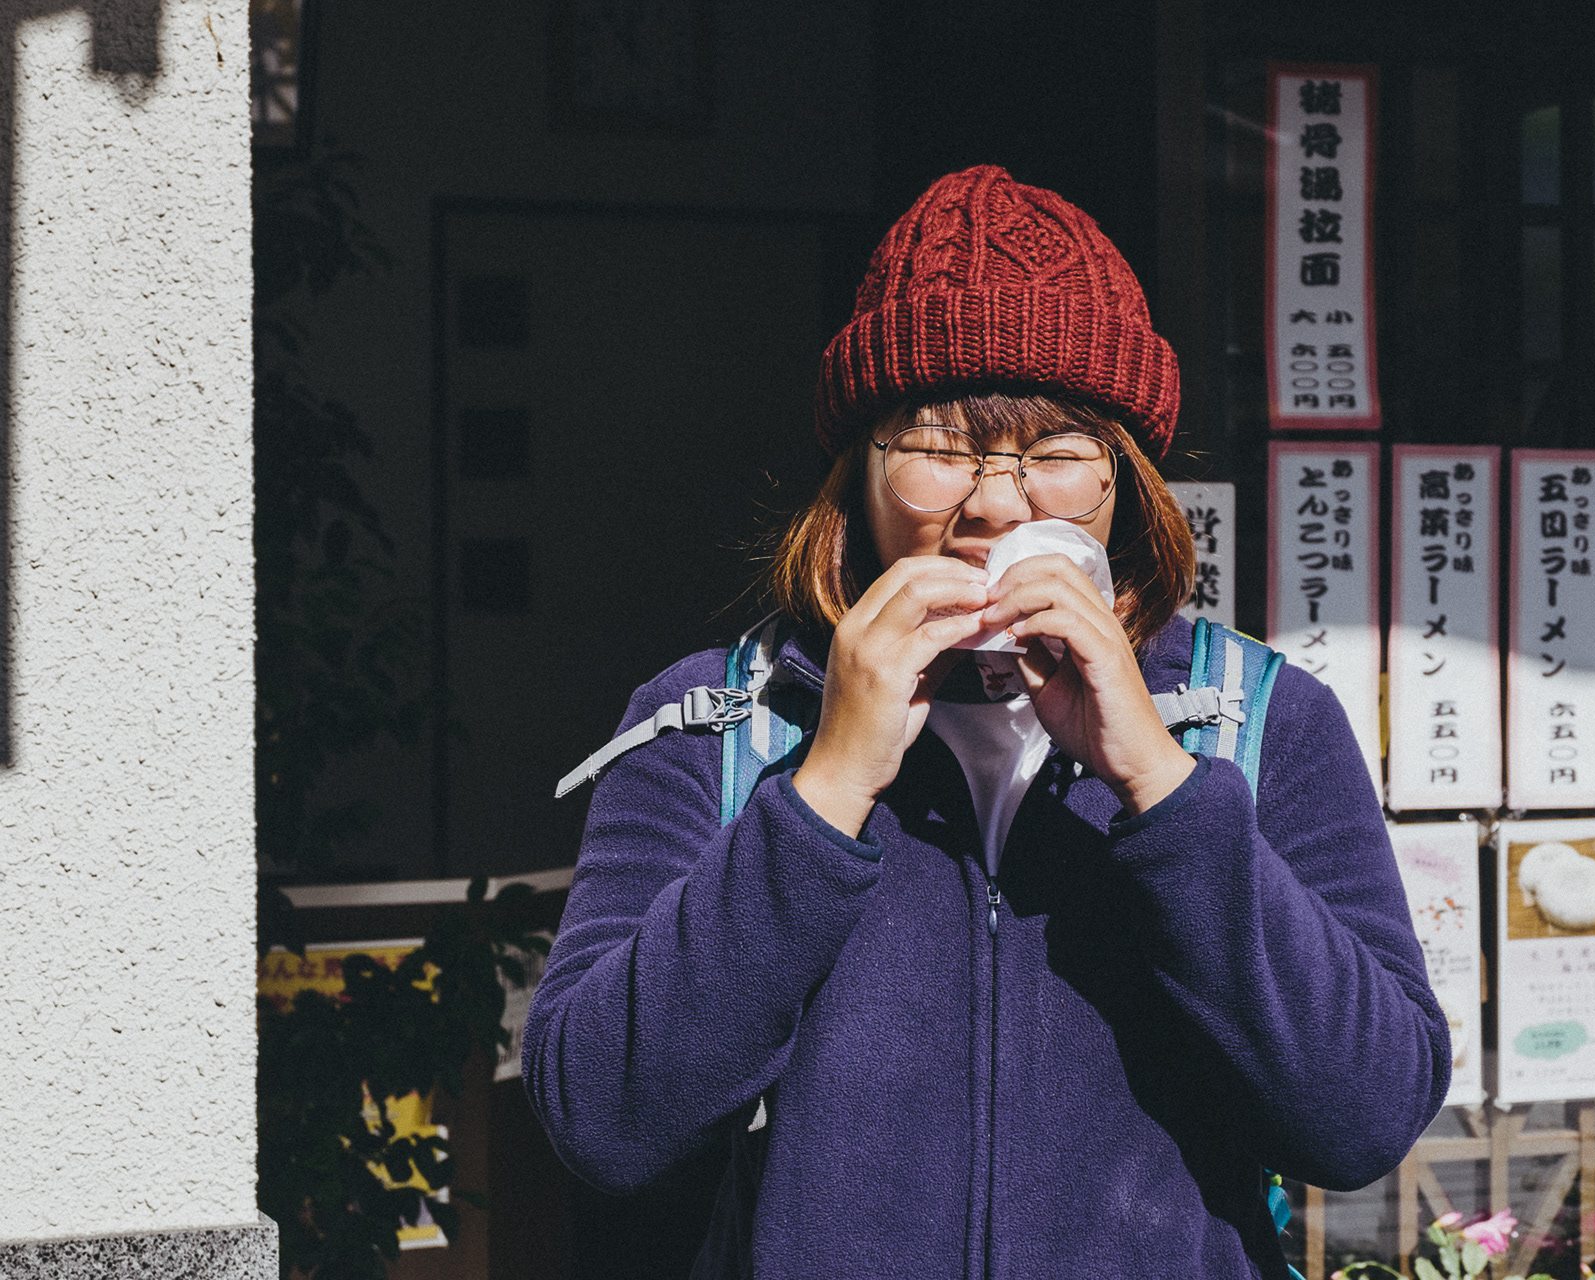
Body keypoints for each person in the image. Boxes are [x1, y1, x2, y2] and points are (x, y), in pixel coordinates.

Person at [524, 165, 1449, 1280]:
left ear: (1127, 483)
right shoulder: (718, 722)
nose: (998, 502)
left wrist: (1158, 780)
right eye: (938, 443)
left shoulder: (1259, 718)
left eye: (1058, 451)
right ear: (856, 474)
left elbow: (1364, 1116)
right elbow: (604, 1122)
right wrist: (826, 789)